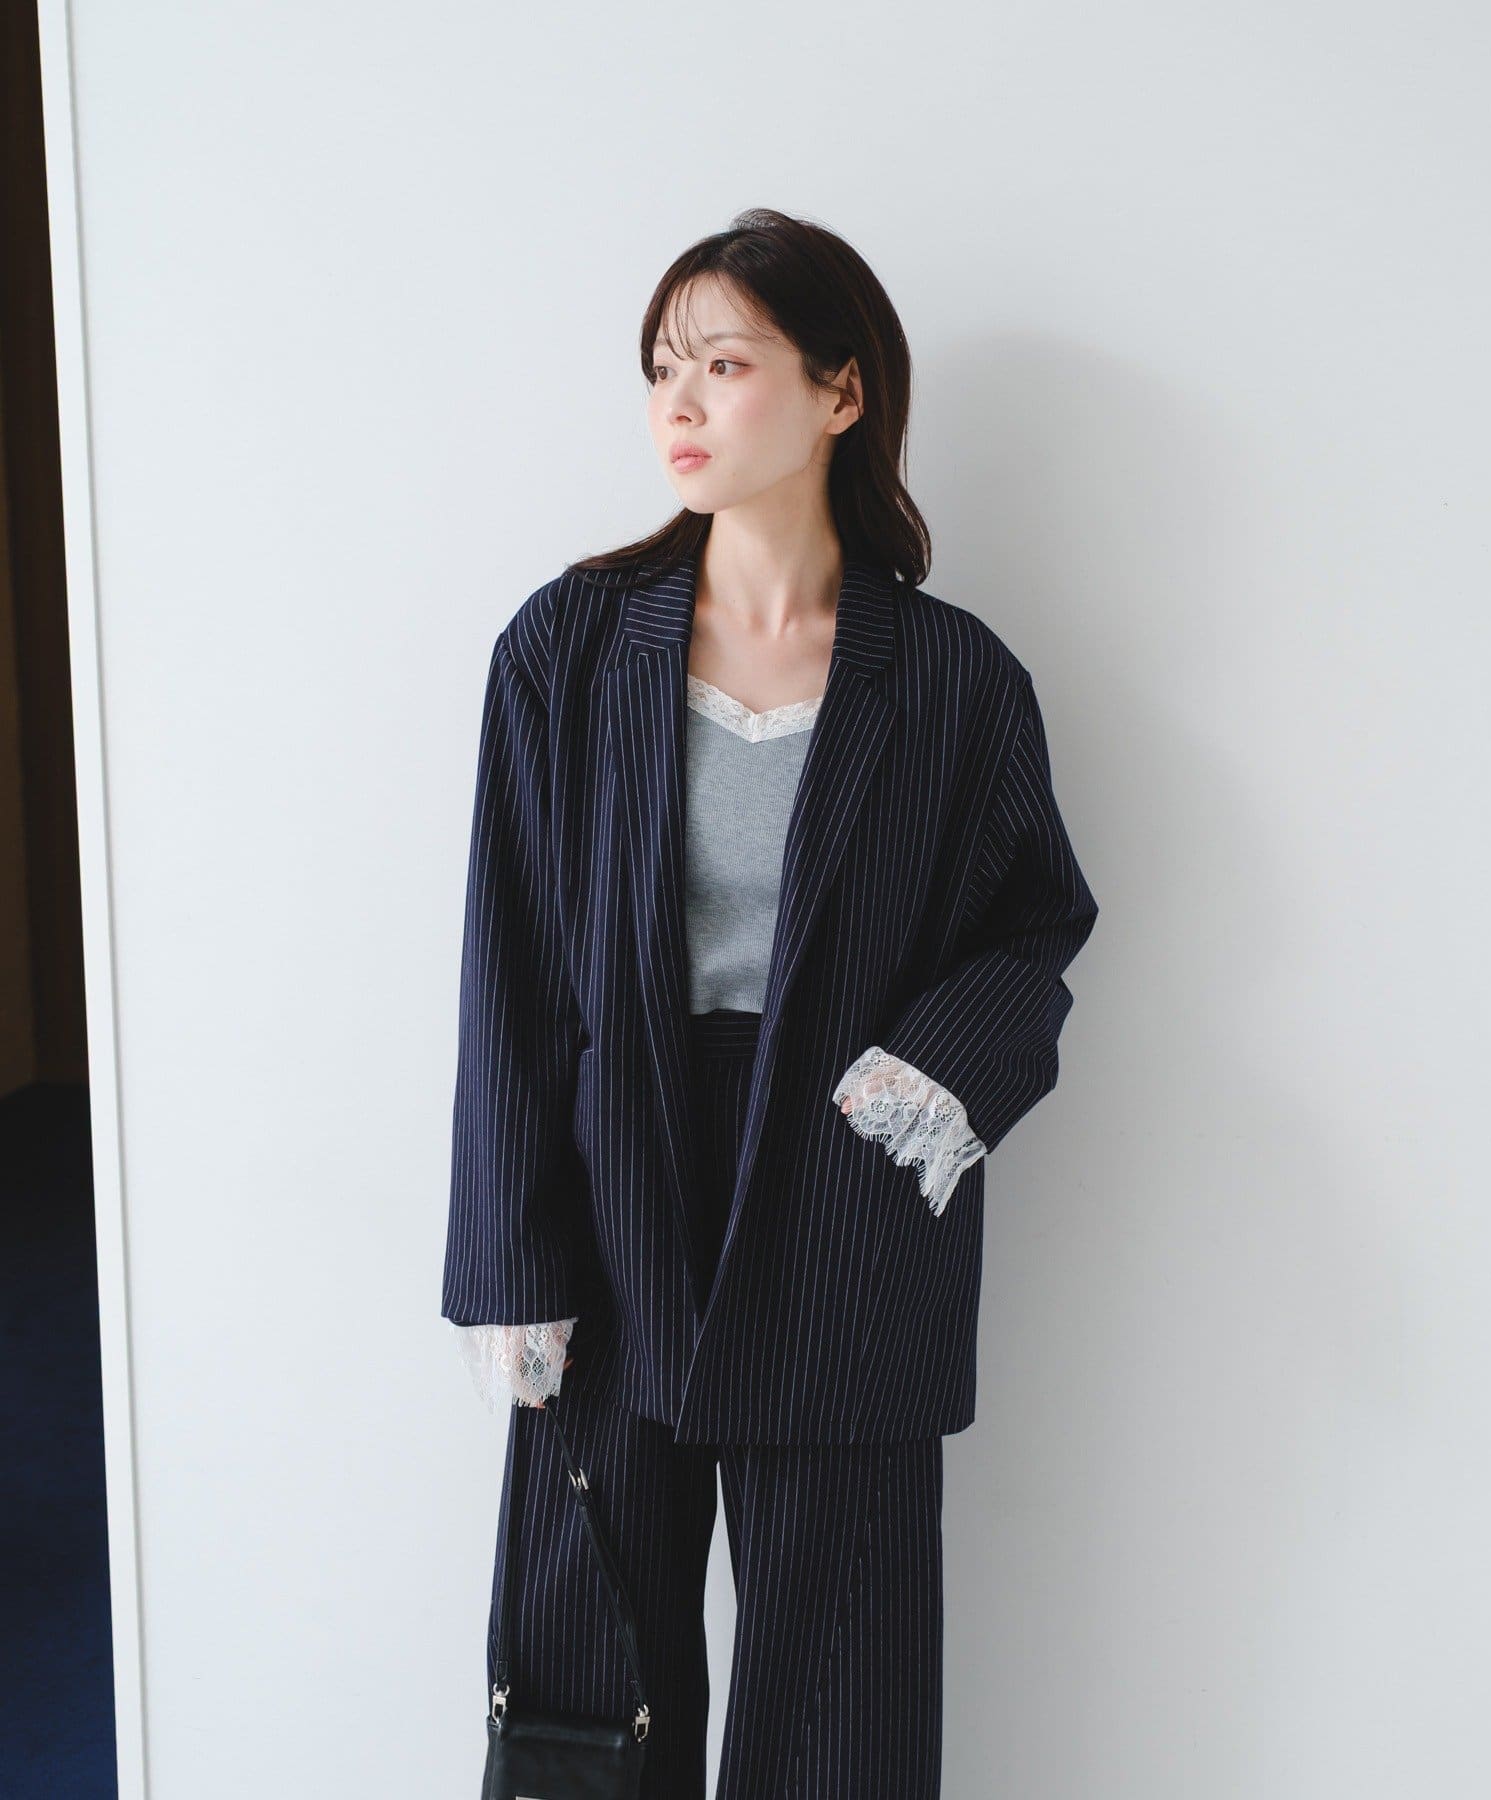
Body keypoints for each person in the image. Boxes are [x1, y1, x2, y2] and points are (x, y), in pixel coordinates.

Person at [442, 206, 1100, 1798]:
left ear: (840, 391)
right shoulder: (568, 651)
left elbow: (1038, 919)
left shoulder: (951, 681)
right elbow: (509, 967)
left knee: (840, 1697)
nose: (677, 401)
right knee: (590, 1675)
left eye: (723, 365)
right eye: (660, 367)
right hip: (615, 1195)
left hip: (846, 1207)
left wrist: (938, 1075)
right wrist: (512, 1259)